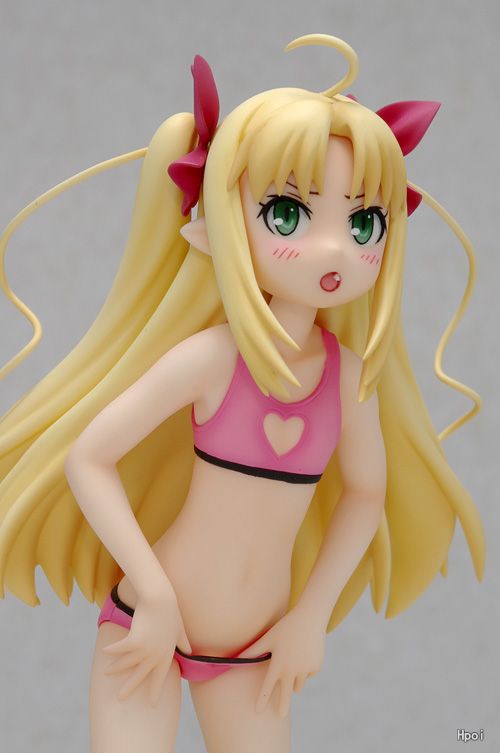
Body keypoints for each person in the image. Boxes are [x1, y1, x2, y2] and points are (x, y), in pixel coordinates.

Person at [0, 33, 485, 753]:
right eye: (288, 215)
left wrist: (310, 617)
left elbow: (364, 495)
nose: (335, 250)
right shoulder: (212, 360)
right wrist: (153, 593)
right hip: (149, 628)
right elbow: (88, 458)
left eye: (363, 223)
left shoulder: (350, 378)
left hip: (257, 649)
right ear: (221, 224)